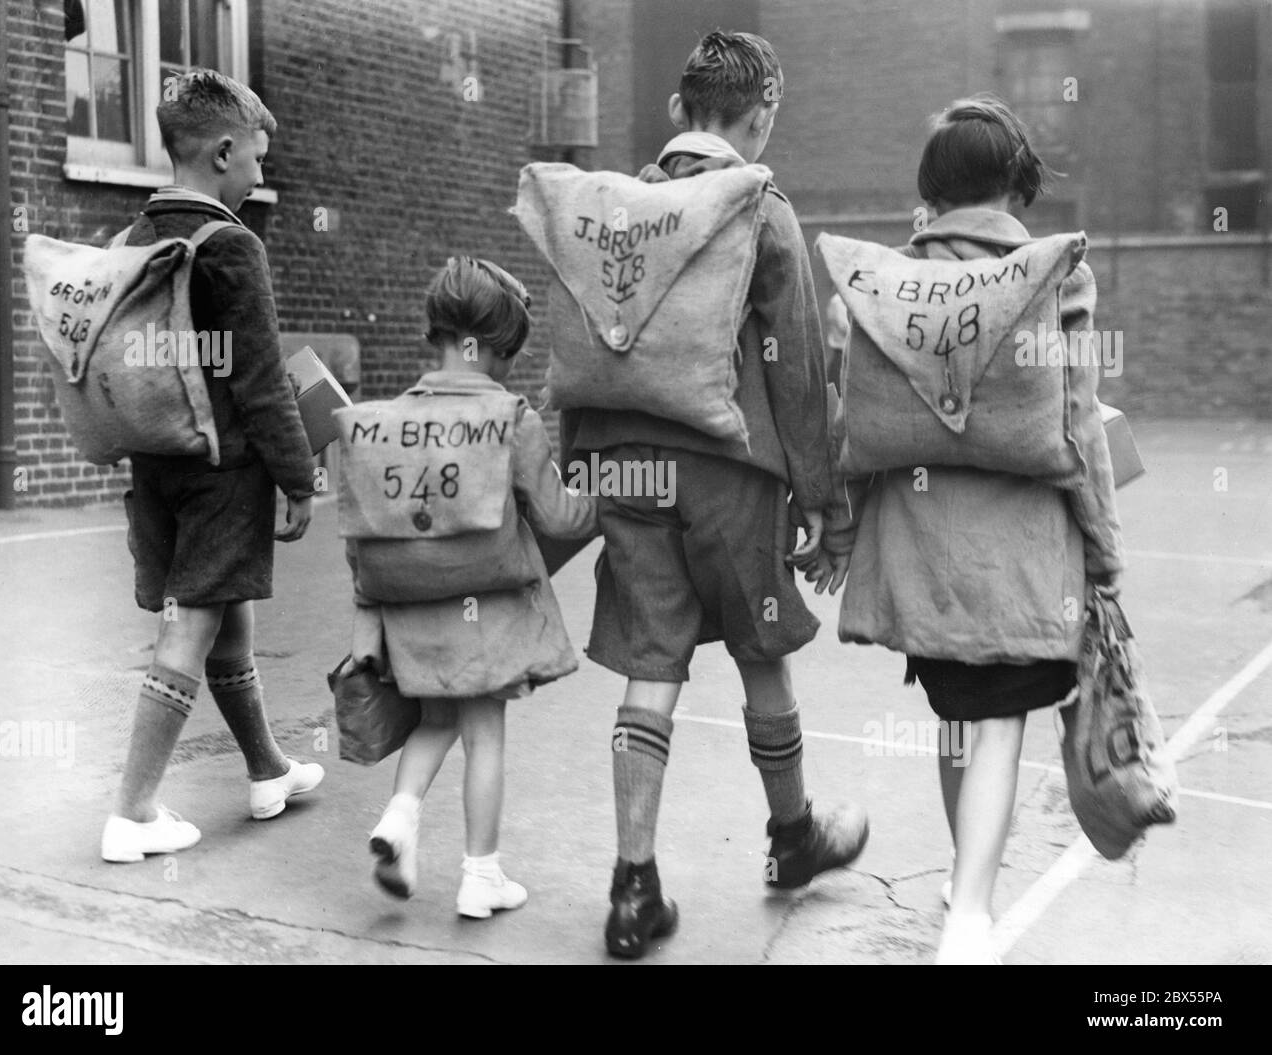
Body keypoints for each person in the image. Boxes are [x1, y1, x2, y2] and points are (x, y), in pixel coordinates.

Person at [560, 30, 870, 960]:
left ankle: (633, 889)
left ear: (674, 114)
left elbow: (580, 340)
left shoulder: (614, 207)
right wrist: (824, 500)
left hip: (627, 467)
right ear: (762, 114)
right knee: (761, 646)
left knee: (652, 665)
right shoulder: (761, 208)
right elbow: (798, 371)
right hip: (729, 473)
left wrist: (583, 459)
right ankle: (791, 836)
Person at [805, 96, 1124, 964]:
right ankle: (973, 913)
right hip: (1021, 550)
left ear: (931, 188)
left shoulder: (882, 284)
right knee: (1001, 722)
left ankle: (962, 877)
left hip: (918, 545)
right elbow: (1080, 424)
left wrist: (841, 531)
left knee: (955, 711)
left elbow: (851, 428)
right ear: (1014, 184)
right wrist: (1103, 549)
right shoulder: (1055, 274)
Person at [101, 69, 323, 863]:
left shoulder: (135, 239)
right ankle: (133, 809)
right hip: (224, 473)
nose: (262, 173)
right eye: (258, 157)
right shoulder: (233, 245)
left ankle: (267, 769)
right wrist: (300, 479)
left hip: (157, 464)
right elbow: (261, 383)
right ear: (224, 152)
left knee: (227, 618)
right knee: (192, 624)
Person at [360, 257, 598, 919]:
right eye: (502, 355)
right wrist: (600, 503)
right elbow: (554, 514)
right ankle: (480, 874)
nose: (507, 370)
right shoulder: (510, 418)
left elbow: (370, 530)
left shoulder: (390, 419)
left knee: (437, 719)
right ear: (471, 345)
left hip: (410, 607)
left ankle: (401, 818)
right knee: (485, 733)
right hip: (484, 609)